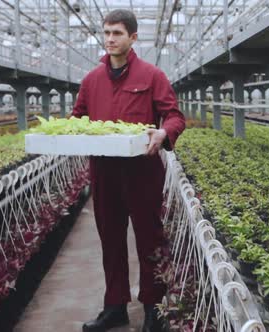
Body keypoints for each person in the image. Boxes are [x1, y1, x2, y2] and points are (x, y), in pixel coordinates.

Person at [71, 9, 185, 332]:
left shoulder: (152, 76)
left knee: (149, 240)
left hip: (143, 174)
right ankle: (115, 306)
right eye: (106, 32)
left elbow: (175, 116)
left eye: (117, 33)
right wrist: (68, 133)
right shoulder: (91, 81)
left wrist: (164, 134)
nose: (110, 39)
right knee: (111, 241)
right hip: (104, 175)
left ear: (133, 37)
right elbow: (77, 118)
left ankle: (153, 308)